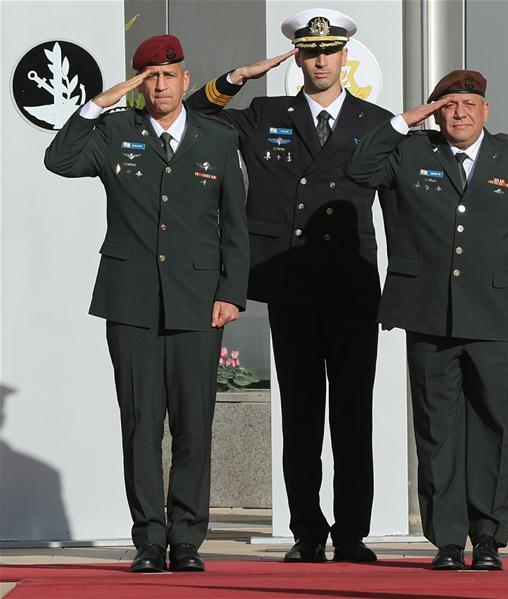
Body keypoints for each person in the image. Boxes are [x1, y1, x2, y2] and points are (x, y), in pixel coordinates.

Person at [186, 8, 394, 563]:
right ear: (297, 57)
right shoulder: (264, 113)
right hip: (291, 282)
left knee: (353, 414)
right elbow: (191, 117)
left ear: (344, 57)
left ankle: (351, 531)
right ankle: (307, 530)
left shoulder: (377, 123)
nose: (320, 59)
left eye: (329, 50)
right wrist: (236, 78)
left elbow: (401, 207)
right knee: (301, 416)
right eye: (310, 50)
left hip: (350, 288)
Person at [44, 34, 249, 573]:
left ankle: (186, 538)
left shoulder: (218, 139)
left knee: (193, 423)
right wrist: (98, 104)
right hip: (131, 300)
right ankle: (150, 539)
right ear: (140, 83)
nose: (161, 84)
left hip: (200, 302)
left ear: (186, 79)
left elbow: (235, 224)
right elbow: (58, 159)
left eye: (170, 74)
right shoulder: (115, 132)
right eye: (150, 76)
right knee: (140, 422)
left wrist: (232, 293)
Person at [346, 70, 508, 571]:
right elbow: (358, 169)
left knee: (493, 425)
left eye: (467, 104)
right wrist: (404, 121)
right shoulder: (410, 151)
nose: (458, 113)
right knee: (436, 429)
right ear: (435, 110)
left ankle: (487, 537)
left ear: (486, 110)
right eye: (448, 105)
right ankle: (446, 539)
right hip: (427, 311)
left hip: (494, 313)